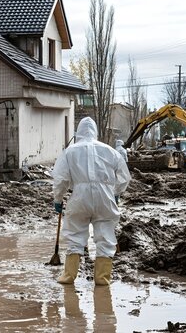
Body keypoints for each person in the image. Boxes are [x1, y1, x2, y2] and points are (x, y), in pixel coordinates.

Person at [52, 117, 131, 285]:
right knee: (105, 236)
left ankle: (69, 276)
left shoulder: (70, 151)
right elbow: (124, 177)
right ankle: (102, 278)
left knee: (75, 234)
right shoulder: (110, 150)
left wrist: (58, 199)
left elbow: (61, 178)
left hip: (80, 196)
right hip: (105, 197)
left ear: (78, 132)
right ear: (95, 132)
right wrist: (116, 193)